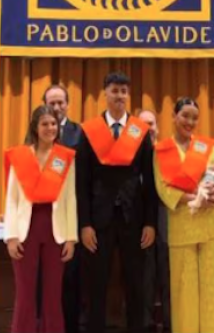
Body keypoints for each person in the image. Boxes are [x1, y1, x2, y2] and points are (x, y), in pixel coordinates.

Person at [76, 72, 157, 332]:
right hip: (99, 221)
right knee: (96, 284)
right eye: (114, 90)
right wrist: (85, 223)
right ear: (105, 93)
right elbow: (81, 181)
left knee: (135, 284)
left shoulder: (140, 132)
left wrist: (150, 223)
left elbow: (150, 180)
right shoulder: (89, 131)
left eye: (124, 90)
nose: (119, 95)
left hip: (133, 219)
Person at [154, 98, 214, 333]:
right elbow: (164, 189)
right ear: (174, 116)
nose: (190, 122)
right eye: (185, 116)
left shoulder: (207, 147)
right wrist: (197, 198)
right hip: (182, 228)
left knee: (212, 291)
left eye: (194, 117)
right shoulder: (162, 150)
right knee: (184, 294)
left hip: (210, 228)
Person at [4, 105, 78, 333]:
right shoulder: (21, 156)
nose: (50, 128)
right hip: (26, 229)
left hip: (56, 231)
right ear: (35, 127)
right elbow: (12, 199)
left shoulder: (65, 158)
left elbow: (70, 199)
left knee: (52, 295)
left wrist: (71, 238)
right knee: (25, 294)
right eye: (45, 123)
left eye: (53, 123)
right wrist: (11, 236)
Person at [41, 84, 84, 333]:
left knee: (70, 282)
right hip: (43, 217)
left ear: (68, 104)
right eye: (52, 103)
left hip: (71, 218)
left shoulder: (80, 134)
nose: (57, 108)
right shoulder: (35, 134)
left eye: (61, 103)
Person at [138, 108, 171, 333]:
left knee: (169, 278)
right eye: (143, 125)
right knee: (144, 279)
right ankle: (146, 324)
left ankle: (171, 324)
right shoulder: (130, 156)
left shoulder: (167, 152)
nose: (148, 129)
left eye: (151, 124)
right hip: (140, 225)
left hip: (169, 223)